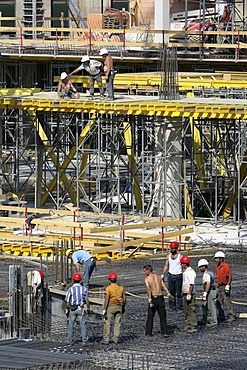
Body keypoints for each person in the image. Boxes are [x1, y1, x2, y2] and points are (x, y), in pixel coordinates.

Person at [143, 264, 172, 337]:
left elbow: (148, 289)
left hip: (154, 297)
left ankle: (148, 333)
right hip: (160, 297)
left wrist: (149, 299)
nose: (144, 273)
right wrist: (168, 293)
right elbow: (163, 285)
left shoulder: (147, 279)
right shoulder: (158, 277)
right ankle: (164, 332)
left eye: (145, 271)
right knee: (162, 316)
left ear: (148, 270)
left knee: (150, 316)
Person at [65, 272, 90, 345]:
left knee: (71, 325)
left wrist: (67, 309)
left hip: (72, 308)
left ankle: (69, 340)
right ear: (80, 280)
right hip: (80, 308)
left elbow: (67, 301)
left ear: (73, 280)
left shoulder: (70, 289)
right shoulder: (83, 289)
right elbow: (87, 300)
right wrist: (88, 308)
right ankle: (84, 340)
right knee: (83, 324)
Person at [102, 272, 126, 345]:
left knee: (107, 323)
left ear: (109, 280)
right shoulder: (121, 288)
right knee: (117, 324)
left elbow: (107, 299)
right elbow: (124, 299)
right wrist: (123, 307)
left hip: (111, 306)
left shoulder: (108, 288)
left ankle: (106, 340)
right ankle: (116, 339)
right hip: (119, 306)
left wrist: (104, 309)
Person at [161, 241, 182, 310]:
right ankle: (172, 306)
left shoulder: (180, 257)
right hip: (170, 276)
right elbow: (166, 265)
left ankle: (179, 306)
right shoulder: (168, 256)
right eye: (171, 249)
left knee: (179, 293)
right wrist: (163, 274)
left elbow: (183, 266)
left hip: (178, 276)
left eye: (173, 249)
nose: (171, 250)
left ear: (176, 249)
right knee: (171, 292)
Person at [214, 251, 235, 322]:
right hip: (219, 286)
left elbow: (229, 276)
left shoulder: (226, 266)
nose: (216, 260)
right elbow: (217, 276)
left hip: (225, 285)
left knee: (227, 301)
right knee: (219, 301)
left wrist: (228, 285)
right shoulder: (218, 267)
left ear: (221, 259)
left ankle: (231, 315)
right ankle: (221, 315)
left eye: (217, 258)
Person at [197, 258, 218, 327]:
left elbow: (208, 283)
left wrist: (205, 293)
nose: (200, 268)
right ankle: (204, 320)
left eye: (200, 267)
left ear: (204, 266)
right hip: (211, 291)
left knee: (211, 307)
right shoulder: (210, 272)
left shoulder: (207, 274)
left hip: (210, 292)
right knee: (205, 306)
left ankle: (214, 321)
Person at [181, 256, 197, 333]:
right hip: (185, 293)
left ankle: (193, 325)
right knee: (186, 310)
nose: (181, 265)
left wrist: (189, 294)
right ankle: (188, 324)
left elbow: (191, 284)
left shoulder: (190, 272)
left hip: (190, 293)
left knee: (191, 310)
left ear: (185, 264)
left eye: (182, 264)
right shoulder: (185, 272)